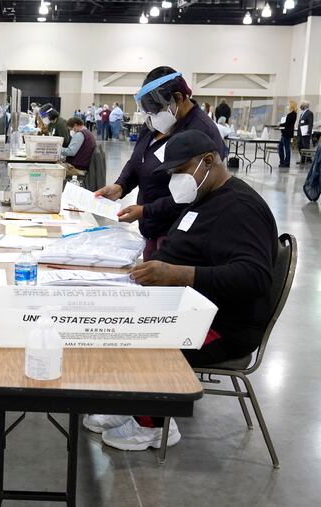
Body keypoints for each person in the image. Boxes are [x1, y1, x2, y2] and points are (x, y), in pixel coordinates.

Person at [87, 129, 278, 451]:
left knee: (143, 335)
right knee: (111, 317)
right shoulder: (205, 198)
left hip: (221, 325)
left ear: (209, 161)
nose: (177, 179)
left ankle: (154, 424)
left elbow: (255, 277)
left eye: (181, 170)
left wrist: (179, 274)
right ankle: (132, 401)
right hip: (189, 306)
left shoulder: (240, 208)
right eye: (172, 173)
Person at [94, 66, 227, 260]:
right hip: (152, 227)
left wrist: (145, 211)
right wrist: (120, 186)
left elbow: (193, 193)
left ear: (179, 98)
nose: (153, 116)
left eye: (157, 110)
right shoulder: (155, 124)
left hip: (178, 234)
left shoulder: (202, 132)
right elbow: (137, 159)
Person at [278, 100, 298, 168]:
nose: (287, 106)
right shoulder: (291, 114)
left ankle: (286, 163)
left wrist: (280, 124)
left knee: (287, 148)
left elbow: (287, 124)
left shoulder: (292, 114)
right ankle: (282, 161)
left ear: (291, 105)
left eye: (288, 105)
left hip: (287, 133)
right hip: (285, 133)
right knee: (280, 147)